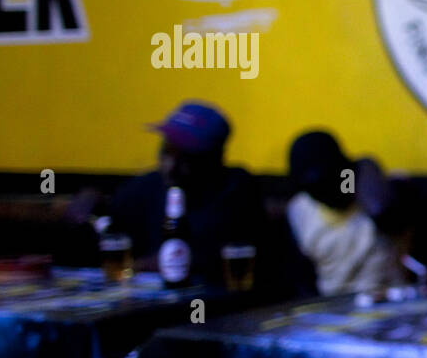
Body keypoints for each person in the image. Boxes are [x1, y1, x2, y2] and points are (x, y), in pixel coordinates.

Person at [110, 101, 265, 287]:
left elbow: (206, 257)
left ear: (214, 160)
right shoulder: (141, 189)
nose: (171, 167)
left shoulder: (235, 189)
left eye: (186, 158)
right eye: (166, 152)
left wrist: (142, 265)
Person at [285, 131, 408, 296]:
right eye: (314, 186)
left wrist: (366, 167)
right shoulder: (301, 210)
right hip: (333, 306)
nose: (322, 189)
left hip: (384, 299)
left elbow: (384, 212)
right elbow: (301, 277)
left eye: (327, 179)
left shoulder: (364, 190)